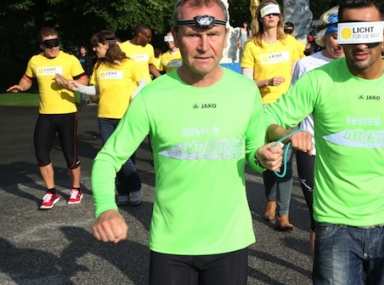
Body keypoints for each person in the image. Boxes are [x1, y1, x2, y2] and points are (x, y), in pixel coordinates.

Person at [264, 0, 384, 283]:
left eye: (368, 32)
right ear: (339, 34)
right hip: (334, 223)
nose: (360, 44)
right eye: (350, 32)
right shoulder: (317, 80)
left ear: (383, 34)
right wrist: (285, 134)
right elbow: (269, 118)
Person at [90, 0, 283, 284]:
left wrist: (264, 158)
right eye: (193, 35)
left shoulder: (245, 92)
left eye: (213, 34)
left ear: (226, 36)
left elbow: (253, 152)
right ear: (176, 36)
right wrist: (106, 207)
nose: (204, 45)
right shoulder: (152, 97)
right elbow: (108, 159)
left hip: (230, 241)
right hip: (172, 245)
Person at [56, 30, 146, 207]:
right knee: (113, 156)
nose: (94, 49)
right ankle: (123, 191)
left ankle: (134, 189)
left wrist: (135, 95)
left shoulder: (128, 63)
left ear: (106, 45)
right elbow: (96, 89)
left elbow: (143, 82)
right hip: (104, 117)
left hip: (125, 116)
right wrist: (78, 88)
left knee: (124, 156)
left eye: (96, 45)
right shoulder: (99, 65)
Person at [6, 27, 88, 209]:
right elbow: (27, 79)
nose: (53, 48)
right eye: (48, 44)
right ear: (41, 45)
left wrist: (68, 83)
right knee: (41, 154)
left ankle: (76, 189)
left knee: (70, 154)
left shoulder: (70, 59)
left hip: (67, 113)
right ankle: (51, 192)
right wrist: (21, 87)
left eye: (56, 43)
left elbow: (84, 80)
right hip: (45, 114)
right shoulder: (35, 61)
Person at [241, 0, 300, 231]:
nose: (272, 17)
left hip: (288, 109)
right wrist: (266, 81)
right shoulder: (252, 46)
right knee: (268, 157)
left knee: (285, 160)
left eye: (276, 13)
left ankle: (283, 214)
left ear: (280, 17)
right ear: (261, 18)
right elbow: (246, 83)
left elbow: (299, 74)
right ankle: (271, 199)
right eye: (268, 14)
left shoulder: (291, 43)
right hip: (263, 109)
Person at [291, 5, 344, 257]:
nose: (340, 43)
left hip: (345, 152)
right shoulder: (305, 65)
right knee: (317, 217)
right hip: (310, 149)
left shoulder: (357, 66)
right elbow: (292, 107)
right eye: (335, 36)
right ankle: (320, 273)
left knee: (345, 217)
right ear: (325, 37)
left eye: (346, 37)